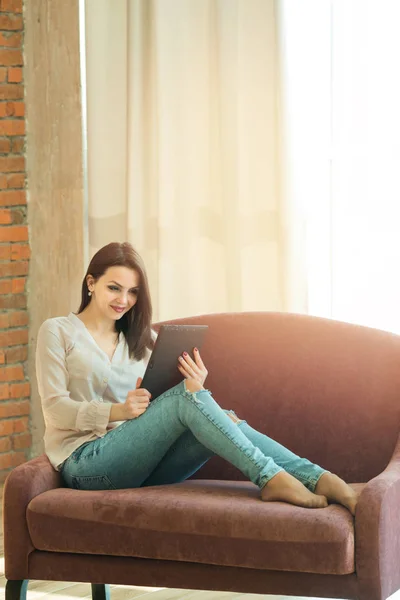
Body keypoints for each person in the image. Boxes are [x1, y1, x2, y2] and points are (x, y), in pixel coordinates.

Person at [36, 242, 358, 514]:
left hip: (142, 466)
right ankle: (270, 477)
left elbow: (163, 408)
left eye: (133, 292)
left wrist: (197, 386)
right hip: (86, 465)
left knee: (223, 418)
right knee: (188, 400)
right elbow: (55, 410)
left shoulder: (142, 339)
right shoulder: (57, 331)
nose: (124, 300)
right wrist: (119, 410)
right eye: (114, 288)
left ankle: (319, 478)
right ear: (91, 283)